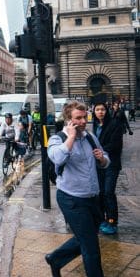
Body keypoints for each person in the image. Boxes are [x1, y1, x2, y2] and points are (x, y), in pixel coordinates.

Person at [46, 100, 110, 277]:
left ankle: (56, 258)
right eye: (78, 118)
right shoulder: (58, 138)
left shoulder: (90, 137)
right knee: (91, 247)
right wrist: (71, 137)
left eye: (85, 117)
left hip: (92, 198)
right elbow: (56, 157)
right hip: (72, 199)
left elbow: (105, 158)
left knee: (87, 236)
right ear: (69, 120)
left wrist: (102, 159)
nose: (83, 121)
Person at [92, 102, 124, 235]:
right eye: (98, 110)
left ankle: (112, 221)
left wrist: (100, 151)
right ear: (94, 112)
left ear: (107, 111)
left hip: (112, 164)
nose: (100, 112)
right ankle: (102, 219)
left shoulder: (115, 124)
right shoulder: (95, 125)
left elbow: (116, 144)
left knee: (108, 192)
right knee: (100, 192)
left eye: (103, 109)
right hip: (99, 164)